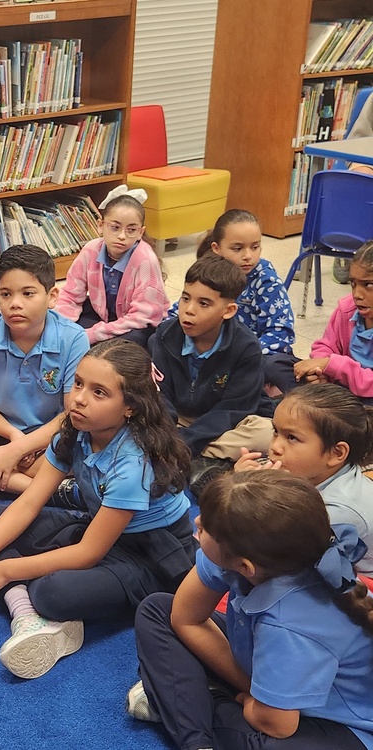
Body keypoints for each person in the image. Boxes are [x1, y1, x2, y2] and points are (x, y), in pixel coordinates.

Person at [0, 339, 195, 679]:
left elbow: (87, 553)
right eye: (79, 383)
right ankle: (27, 611)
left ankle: (26, 600)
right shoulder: (76, 430)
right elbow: (29, 501)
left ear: (130, 407)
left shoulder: (132, 464)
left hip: (151, 553)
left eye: (99, 392)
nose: (80, 398)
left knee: (53, 592)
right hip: (98, 528)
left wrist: (6, 570)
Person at [129, 471, 373, 750]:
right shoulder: (248, 555)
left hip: (342, 726)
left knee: (267, 745)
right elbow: (185, 618)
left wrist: (248, 700)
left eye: (206, 527)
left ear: (245, 566)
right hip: (269, 676)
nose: (197, 521)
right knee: (157, 609)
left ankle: (189, 703)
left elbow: (278, 726)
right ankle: (197, 732)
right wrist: (252, 689)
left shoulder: (290, 625)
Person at [0, 244, 90, 494]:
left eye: (28, 293)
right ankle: (43, 491)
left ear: (52, 296)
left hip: (54, 435)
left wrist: (19, 450)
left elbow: (71, 412)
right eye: (6, 294)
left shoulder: (74, 339)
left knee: (96, 444)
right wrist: (13, 437)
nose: (15, 304)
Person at [148, 253, 275, 493]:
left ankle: (189, 456)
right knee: (134, 417)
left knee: (266, 434)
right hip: (180, 417)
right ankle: (202, 459)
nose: (188, 310)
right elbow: (159, 393)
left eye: (203, 303)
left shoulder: (246, 347)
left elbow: (235, 409)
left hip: (226, 423)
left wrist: (182, 441)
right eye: (185, 298)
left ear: (228, 311)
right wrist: (168, 429)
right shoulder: (165, 335)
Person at [234, 383, 373, 573]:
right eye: (276, 431)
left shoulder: (339, 511)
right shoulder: (314, 474)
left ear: (336, 453)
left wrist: (249, 493)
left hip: (358, 585)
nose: (275, 447)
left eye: (291, 438)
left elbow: (277, 553)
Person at [192, 209, 298, 395]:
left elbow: (281, 333)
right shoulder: (208, 275)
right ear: (216, 249)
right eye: (237, 248)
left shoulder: (267, 281)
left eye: (255, 247)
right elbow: (182, 309)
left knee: (271, 366)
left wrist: (242, 356)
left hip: (256, 356)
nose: (248, 256)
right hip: (214, 352)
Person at [54, 185, 167, 347]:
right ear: (100, 225)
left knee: (130, 344)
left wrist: (94, 334)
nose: (122, 236)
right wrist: (60, 327)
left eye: (131, 230)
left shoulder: (145, 259)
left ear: (141, 232)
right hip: (104, 315)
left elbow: (142, 316)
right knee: (63, 331)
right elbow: (71, 295)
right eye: (115, 227)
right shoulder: (91, 249)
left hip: (138, 324)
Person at [295, 241, 373, 399]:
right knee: (276, 364)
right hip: (341, 389)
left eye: (368, 285)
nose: (357, 294)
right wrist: (319, 372)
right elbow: (325, 346)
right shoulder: (347, 310)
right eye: (353, 283)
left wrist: (334, 365)